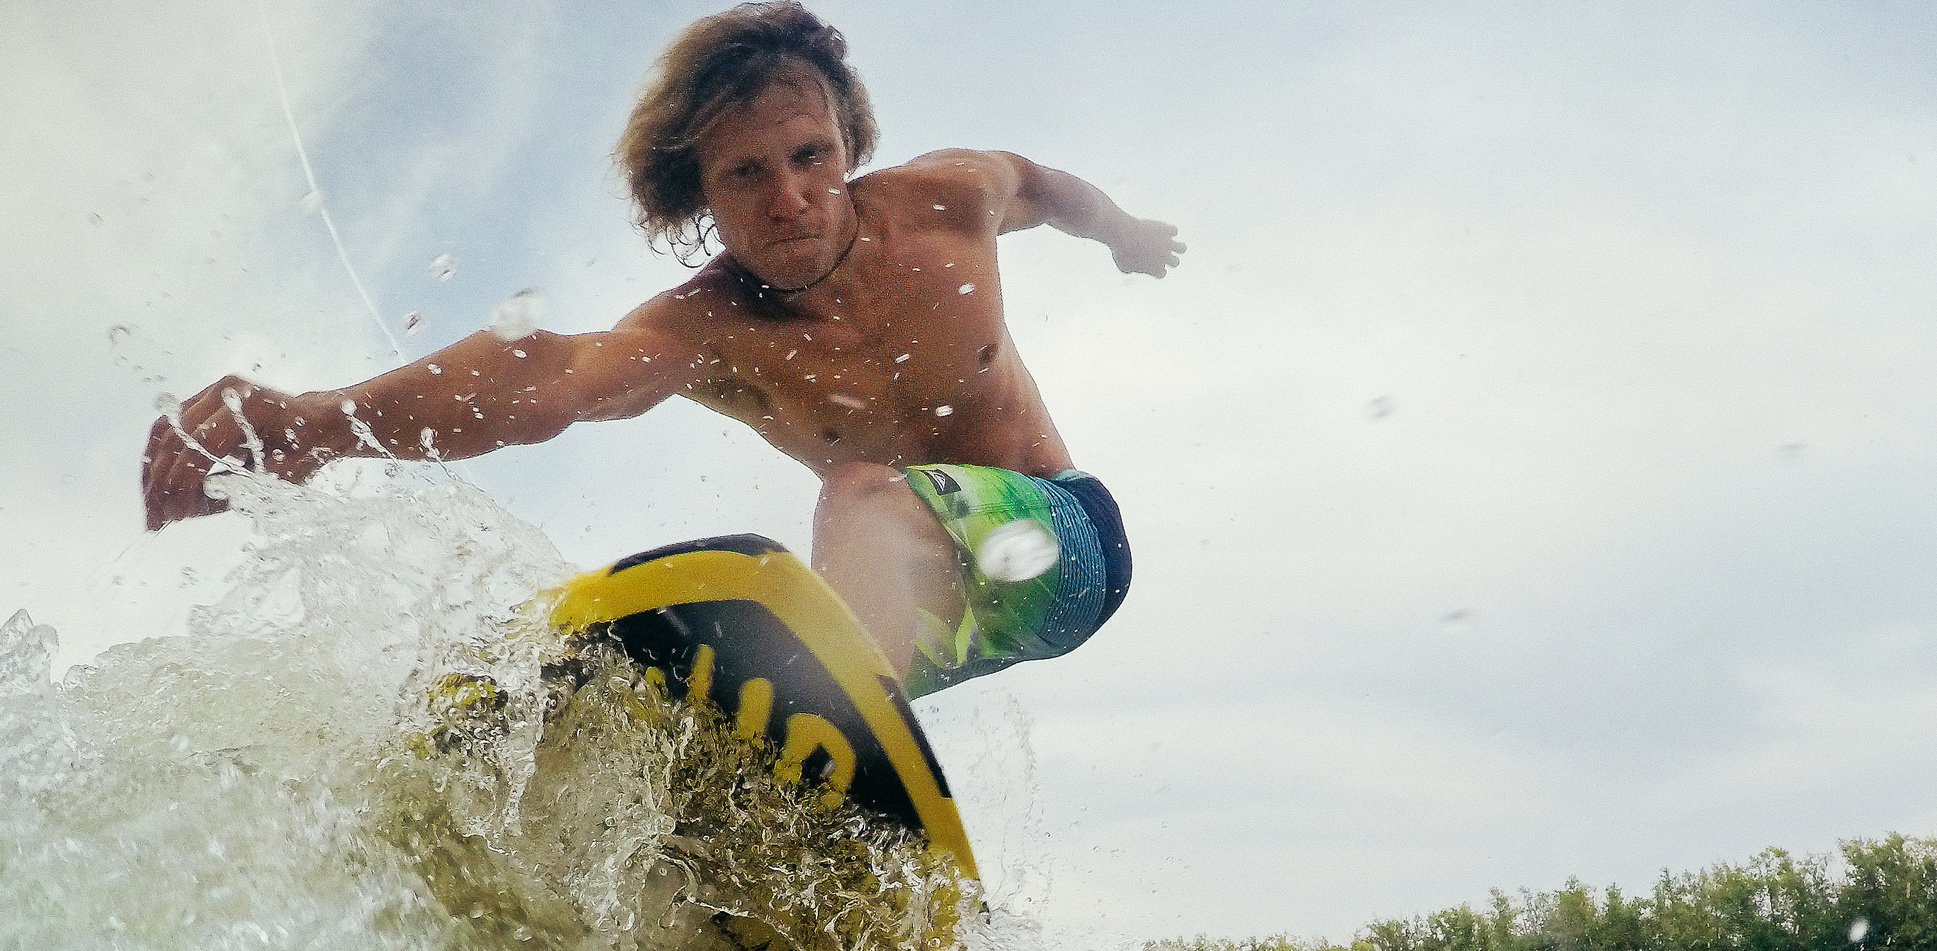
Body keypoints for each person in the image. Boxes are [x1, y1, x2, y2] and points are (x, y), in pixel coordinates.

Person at [139, 1, 1181, 697]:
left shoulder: (948, 198)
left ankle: (815, 816)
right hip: (934, 604)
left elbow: (1047, 188)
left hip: (1066, 544)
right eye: (743, 176)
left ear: (846, 144)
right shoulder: (708, 327)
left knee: (862, 498)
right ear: (698, 198)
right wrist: (318, 423)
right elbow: (545, 377)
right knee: (696, 679)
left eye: (809, 156)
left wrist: (1125, 233)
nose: (788, 199)